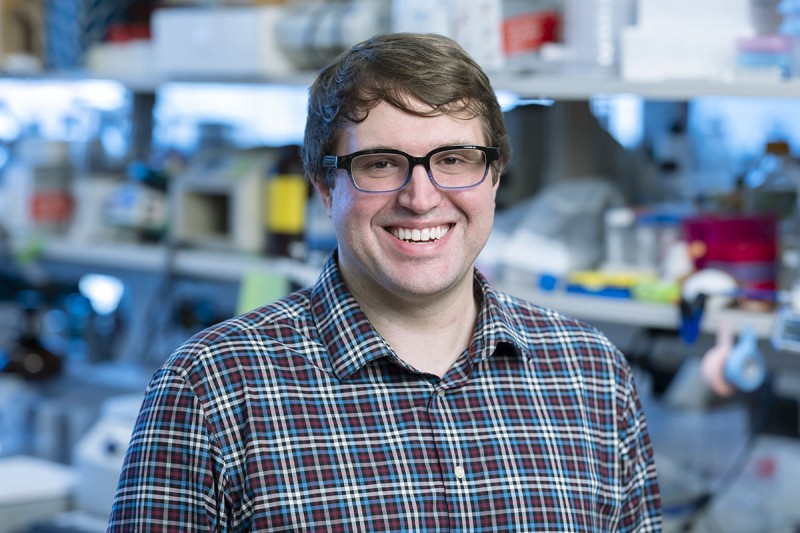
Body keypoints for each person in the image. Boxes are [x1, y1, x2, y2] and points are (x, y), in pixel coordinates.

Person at [108, 32, 662, 531]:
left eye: (454, 159)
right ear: (325, 187)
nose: (420, 199)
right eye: (380, 164)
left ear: (494, 177)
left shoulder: (593, 375)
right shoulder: (210, 389)